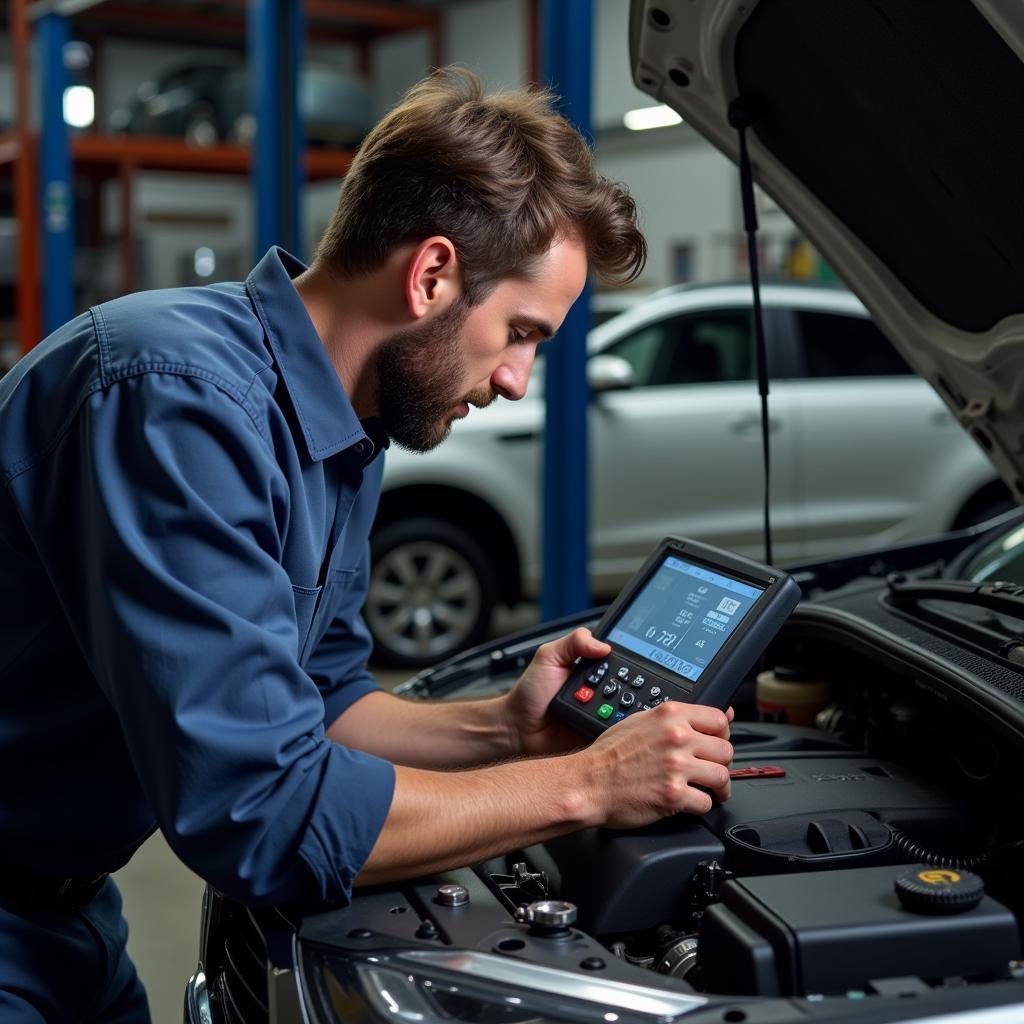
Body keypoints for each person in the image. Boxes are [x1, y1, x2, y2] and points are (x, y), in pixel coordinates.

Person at [0, 68, 734, 1022]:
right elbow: (260, 810)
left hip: (69, 914)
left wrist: (505, 730)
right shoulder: (175, 399)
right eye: (521, 332)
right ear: (431, 276)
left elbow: (324, 701)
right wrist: (588, 784)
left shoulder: (348, 425)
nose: (517, 380)